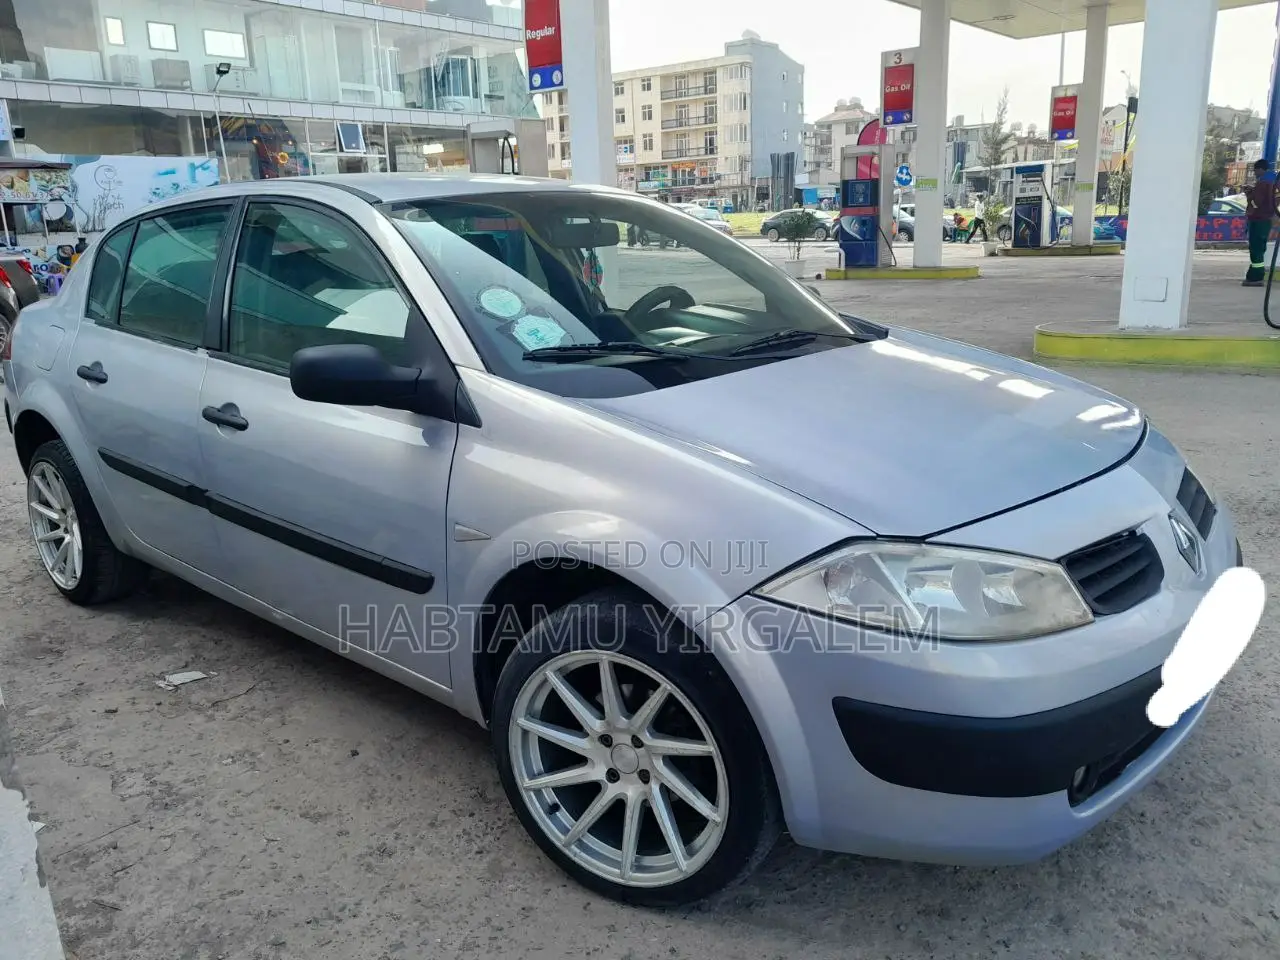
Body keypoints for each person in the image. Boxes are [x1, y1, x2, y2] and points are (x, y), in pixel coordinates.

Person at [1243, 159, 1278, 287]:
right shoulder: (1274, 181)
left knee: (1256, 249)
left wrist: (1249, 196)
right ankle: (1254, 274)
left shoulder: (1263, 183)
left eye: (1255, 170)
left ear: (1260, 169)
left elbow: (1256, 203)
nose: (1255, 173)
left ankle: (1256, 277)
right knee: (1260, 248)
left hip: (1258, 220)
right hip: (1267, 219)